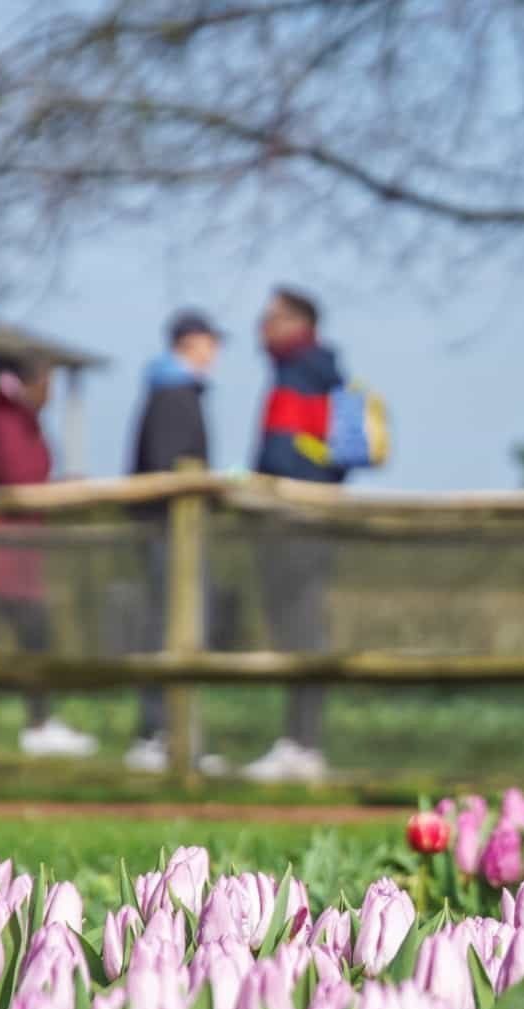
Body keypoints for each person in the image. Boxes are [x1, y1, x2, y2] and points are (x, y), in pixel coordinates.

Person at [0, 351, 97, 759]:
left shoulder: (13, 422)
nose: (49, 393)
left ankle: (38, 724)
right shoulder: (0, 423)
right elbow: (18, 477)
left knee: (32, 638)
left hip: (10, 559)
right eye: (45, 383)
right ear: (22, 384)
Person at [241, 287, 343, 783]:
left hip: (293, 521)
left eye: (272, 317)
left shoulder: (298, 372)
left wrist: (258, 489)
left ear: (298, 322)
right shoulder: (323, 372)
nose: (262, 325)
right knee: (302, 630)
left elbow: (281, 454)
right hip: (313, 519)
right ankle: (300, 741)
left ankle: (301, 745)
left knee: (299, 632)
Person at [124, 309, 221, 773]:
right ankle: (158, 733)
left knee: (174, 627)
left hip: (174, 535)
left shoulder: (177, 391)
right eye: (209, 342)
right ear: (188, 343)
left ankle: (173, 732)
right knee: (168, 627)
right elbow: (170, 465)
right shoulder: (173, 393)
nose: (215, 352)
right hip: (169, 535)